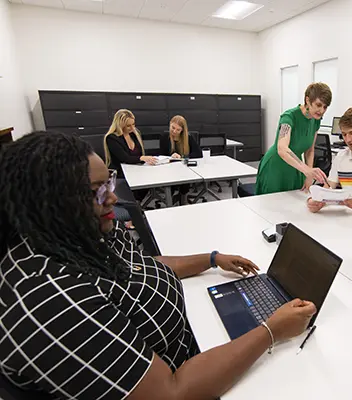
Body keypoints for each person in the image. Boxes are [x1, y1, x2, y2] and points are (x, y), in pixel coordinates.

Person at [0, 131, 317, 399]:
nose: (111, 199)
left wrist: (210, 259)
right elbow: (169, 392)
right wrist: (270, 331)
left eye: (107, 183)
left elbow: (139, 264)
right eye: (95, 192)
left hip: (190, 340)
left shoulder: (81, 230)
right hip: (181, 377)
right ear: (48, 203)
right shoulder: (48, 300)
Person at [255, 82, 332, 195]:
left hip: (295, 168)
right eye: (318, 105)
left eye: (325, 107)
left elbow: (310, 150)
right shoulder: (289, 117)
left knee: (294, 205)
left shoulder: (316, 120)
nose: (321, 110)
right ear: (307, 100)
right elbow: (282, 149)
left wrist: (309, 175)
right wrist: (306, 170)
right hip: (276, 167)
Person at [104, 109, 158, 178]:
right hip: (121, 175)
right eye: (128, 126)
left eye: (133, 124)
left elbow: (139, 154)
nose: (132, 128)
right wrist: (142, 158)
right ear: (120, 125)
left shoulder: (134, 134)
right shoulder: (112, 138)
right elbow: (125, 158)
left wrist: (147, 160)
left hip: (137, 171)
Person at [159, 115, 201, 204]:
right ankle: (170, 201)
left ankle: (183, 199)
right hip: (169, 169)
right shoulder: (165, 137)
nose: (174, 131)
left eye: (178, 130)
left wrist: (183, 156)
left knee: (185, 180)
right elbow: (162, 155)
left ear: (182, 130)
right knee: (172, 183)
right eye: (173, 128)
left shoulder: (188, 137)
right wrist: (171, 156)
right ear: (170, 124)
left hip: (184, 169)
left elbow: (198, 153)